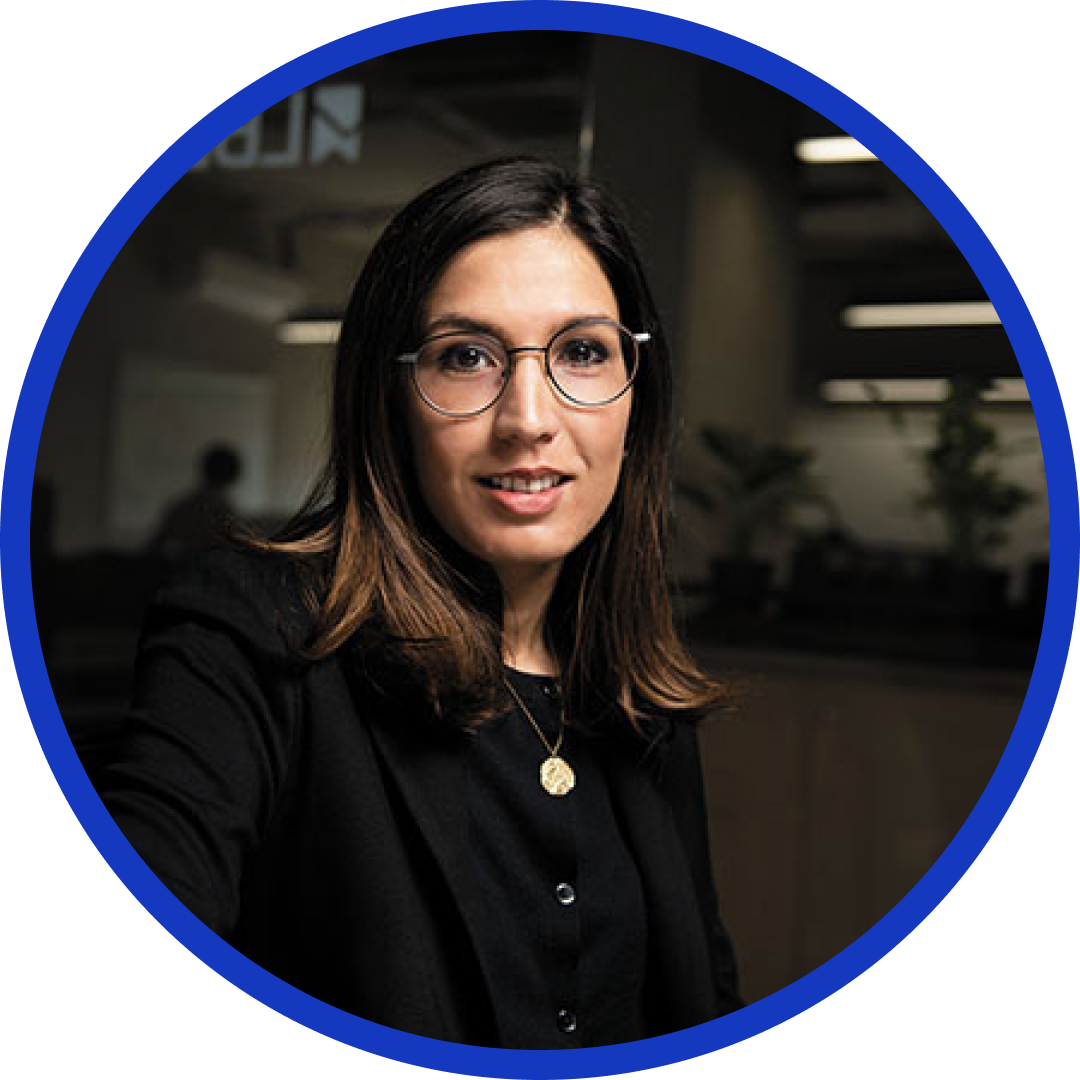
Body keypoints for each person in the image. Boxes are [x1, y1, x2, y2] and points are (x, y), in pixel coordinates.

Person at [100, 157, 743, 1048]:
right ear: (390, 399)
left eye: (582, 352)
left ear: (638, 391)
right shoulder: (251, 632)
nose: (528, 418)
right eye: (466, 356)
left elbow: (705, 995)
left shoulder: (637, 694)